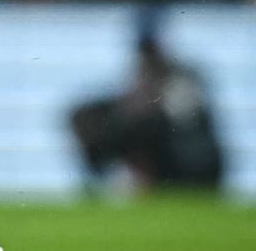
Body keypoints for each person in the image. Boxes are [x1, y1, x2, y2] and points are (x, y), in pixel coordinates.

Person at [70, 28, 225, 194]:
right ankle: (112, 178)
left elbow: (181, 118)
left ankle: (137, 182)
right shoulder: (144, 76)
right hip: (173, 151)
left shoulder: (183, 77)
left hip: (190, 159)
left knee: (141, 126)